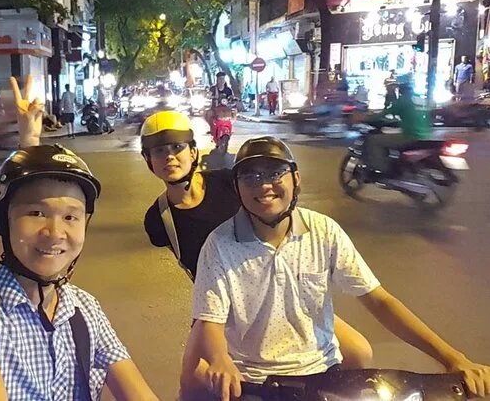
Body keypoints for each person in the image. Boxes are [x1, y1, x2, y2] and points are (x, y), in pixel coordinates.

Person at [182, 136, 490, 401]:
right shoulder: (219, 245)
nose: (263, 185)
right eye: (249, 176)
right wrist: (221, 361)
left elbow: (379, 301)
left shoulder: (323, 231)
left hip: (326, 377)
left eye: (274, 172)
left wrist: (452, 358)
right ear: (237, 188)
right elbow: (210, 321)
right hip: (254, 382)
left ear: (295, 179)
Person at [140, 112, 373, 386]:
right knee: (193, 381)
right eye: (159, 151)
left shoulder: (227, 182)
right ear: (148, 159)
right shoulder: (159, 218)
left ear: (192, 152)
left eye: (176, 147)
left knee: (359, 353)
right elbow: (192, 267)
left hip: (279, 291)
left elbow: (278, 217)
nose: (169, 157)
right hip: (220, 306)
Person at [0, 144, 158, 398]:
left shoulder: (84, 308)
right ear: (2, 220)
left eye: (70, 217)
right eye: (37, 213)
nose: (55, 233)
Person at [364, 75, 431, 179]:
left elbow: (385, 113)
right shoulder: (420, 99)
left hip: (410, 135)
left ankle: (382, 170)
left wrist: (365, 118)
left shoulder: (403, 100)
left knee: (373, 140)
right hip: (425, 134)